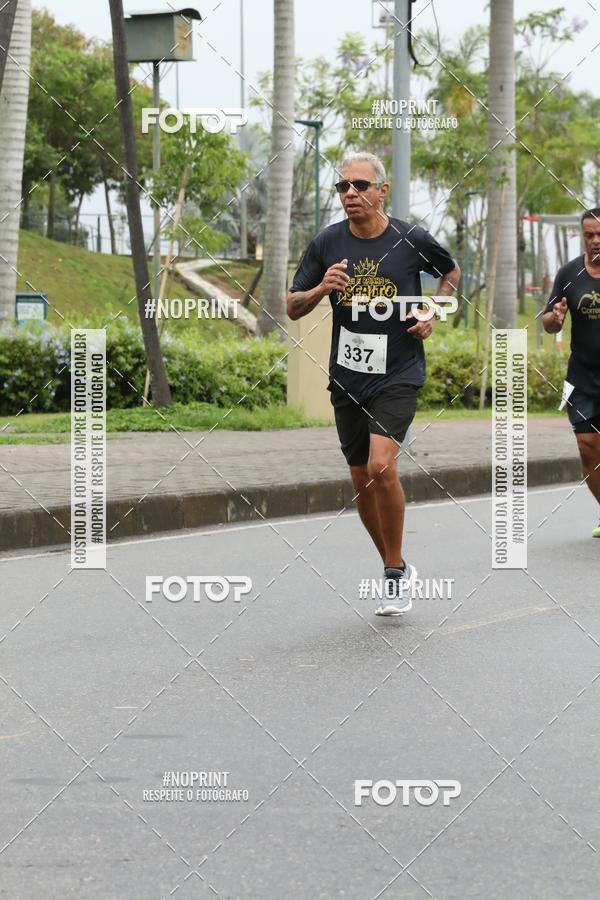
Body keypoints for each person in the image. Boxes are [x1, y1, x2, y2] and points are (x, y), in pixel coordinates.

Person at [287, 152, 460, 615]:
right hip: (347, 376)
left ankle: (393, 574)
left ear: (382, 190)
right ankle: (395, 564)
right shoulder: (327, 243)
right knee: (362, 479)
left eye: (359, 185)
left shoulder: (410, 238)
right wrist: (321, 289)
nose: (349, 194)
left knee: (382, 466)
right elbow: (292, 305)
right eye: (342, 187)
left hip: (398, 372)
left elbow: (450, 273)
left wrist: (432, 312)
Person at [542, 208, 600, 538]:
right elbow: (548, 323)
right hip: (581, 375)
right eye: (589, 235)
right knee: (587, 445)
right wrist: (556, 318)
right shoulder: (569, 273)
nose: (595, 241)